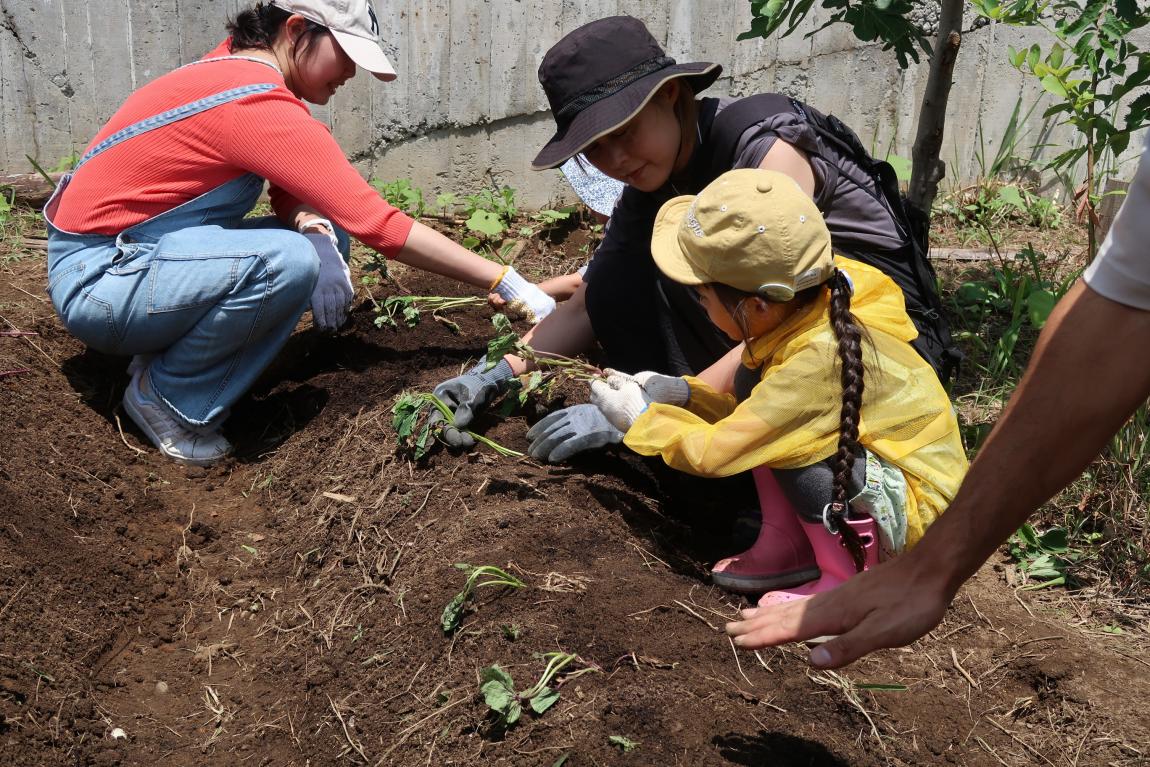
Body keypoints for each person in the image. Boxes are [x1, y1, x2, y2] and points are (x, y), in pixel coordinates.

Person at [433, 14, 959, 593]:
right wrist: (497, 375)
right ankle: (753, 499)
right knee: (624, 285)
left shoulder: (763, 151)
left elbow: (783, 316)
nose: (616, 160)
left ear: (674, 96)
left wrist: (647, 421)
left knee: (684, 286)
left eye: (625, 132)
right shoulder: (654, 179)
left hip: (868, 346)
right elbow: (590, 305)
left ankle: (812, 521)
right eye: (594, 149)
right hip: (782, 332)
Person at [43, 0, 555, 467]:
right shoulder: (251, 102)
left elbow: (292, 183)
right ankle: (169, 398)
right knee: (287, 260)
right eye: (346, 53)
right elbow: (379, 223)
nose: (352, 71)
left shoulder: (233, 74)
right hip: (101, 281)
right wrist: (504, 280)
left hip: (131, 261)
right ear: (295, 30)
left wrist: (313, 225)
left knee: (324, 237)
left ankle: (165, 356)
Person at [724, 134, 1150, 667]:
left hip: (908, 493)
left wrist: (654, 424)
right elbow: (1113, 326)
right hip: (910, 497)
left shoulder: (820, 348)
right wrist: (935, 568)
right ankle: (790, 543)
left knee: (796, 441)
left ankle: (838, 563)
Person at [578, 168, 967, 602]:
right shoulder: (812, 303)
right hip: (887, 474)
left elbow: (718, 452)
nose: (701, 306)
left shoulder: (815, 363)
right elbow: (752, 414)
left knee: (800, 451)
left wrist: (643, 419)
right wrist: (686, 394)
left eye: (703, 298)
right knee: (753, 386)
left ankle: (845, 581)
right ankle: (792, 547)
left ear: (757, 306)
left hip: (921, 514)